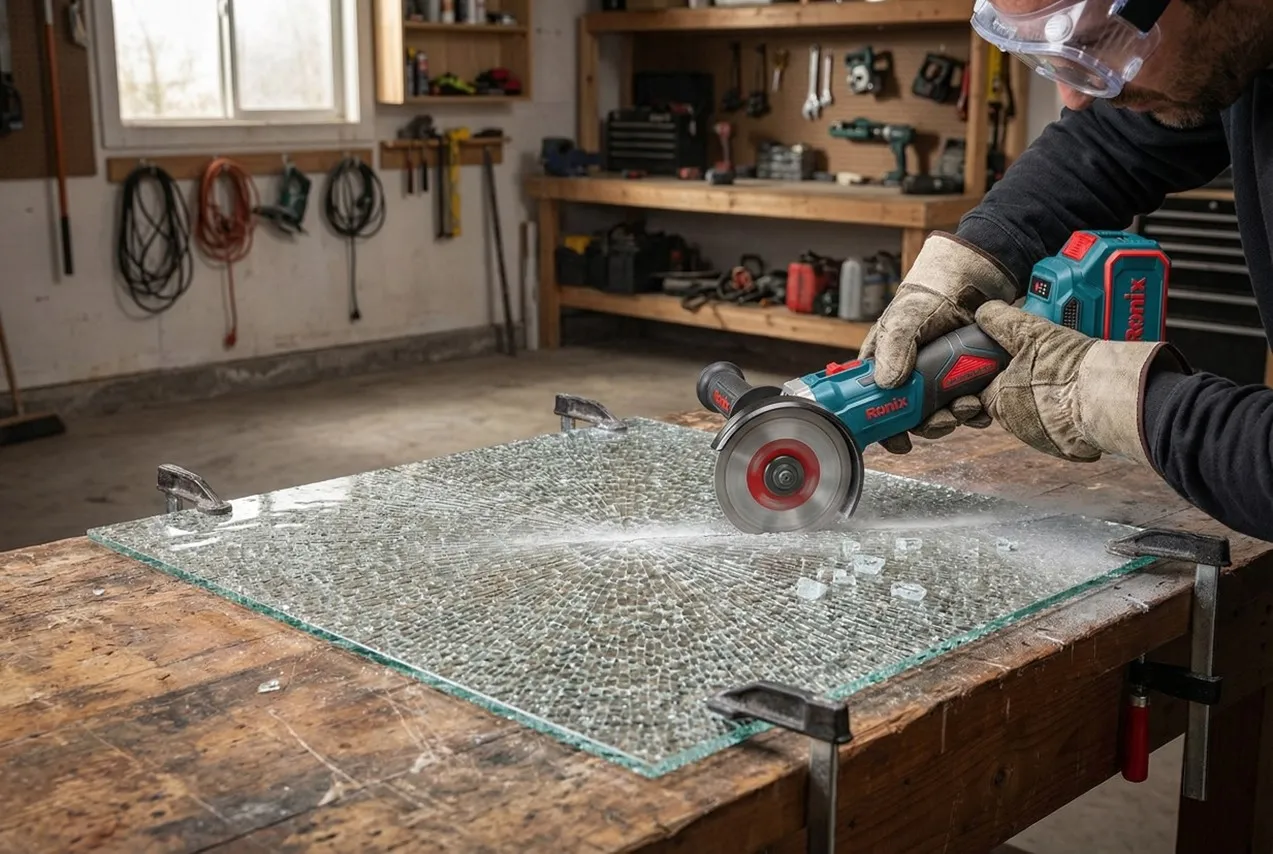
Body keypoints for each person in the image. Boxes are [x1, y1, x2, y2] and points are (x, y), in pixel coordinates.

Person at [861, 0, 1273, 540]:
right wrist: (971, 258)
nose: (1074, 97)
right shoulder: (1237, 44)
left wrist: (1111, 399)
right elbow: (1111, 143)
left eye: (1099, 39)